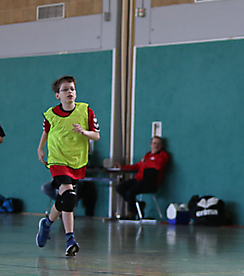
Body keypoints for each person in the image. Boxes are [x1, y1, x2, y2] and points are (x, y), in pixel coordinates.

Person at [36, 76, 100, 256]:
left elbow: (96, 135)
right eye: (65, 89)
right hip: (57, 159)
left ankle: (47, 223)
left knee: (65, 199)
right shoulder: (50, 114)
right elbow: (46, 132)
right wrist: (40, 149)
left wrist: (84, 132)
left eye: (72, 89)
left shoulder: (86, 111)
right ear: (58, 95)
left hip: (76, 161)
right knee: (70, 196)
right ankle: (70, 239)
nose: (70, 92)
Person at [115, 136, 169, 218]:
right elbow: (138, 166)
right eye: (154, 143)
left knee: (130, 192)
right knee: (119, 188)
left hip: (149, 183)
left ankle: (131, 214)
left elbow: (157, 166)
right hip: (138, 179)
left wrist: (147, 162)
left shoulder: (163, 155)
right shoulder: (147, 155)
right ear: (151, 145)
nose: (156, 146)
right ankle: (138, 206)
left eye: (158, 144)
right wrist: (122, 167)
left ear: (161, 146)